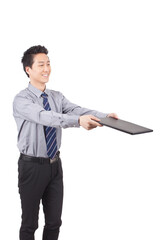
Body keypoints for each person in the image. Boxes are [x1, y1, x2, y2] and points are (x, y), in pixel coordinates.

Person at [13, 45, 118, 240]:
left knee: (54, 222)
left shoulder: (56, 96)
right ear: (28, 70)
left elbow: (76, 109)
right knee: (30, 224)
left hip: (55, 166)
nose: (46, 69)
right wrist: (78, 122)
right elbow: (46, 117)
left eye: (48, 64)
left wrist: (104, 117)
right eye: (41, 65)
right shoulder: (21, 100)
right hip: (31, 167)